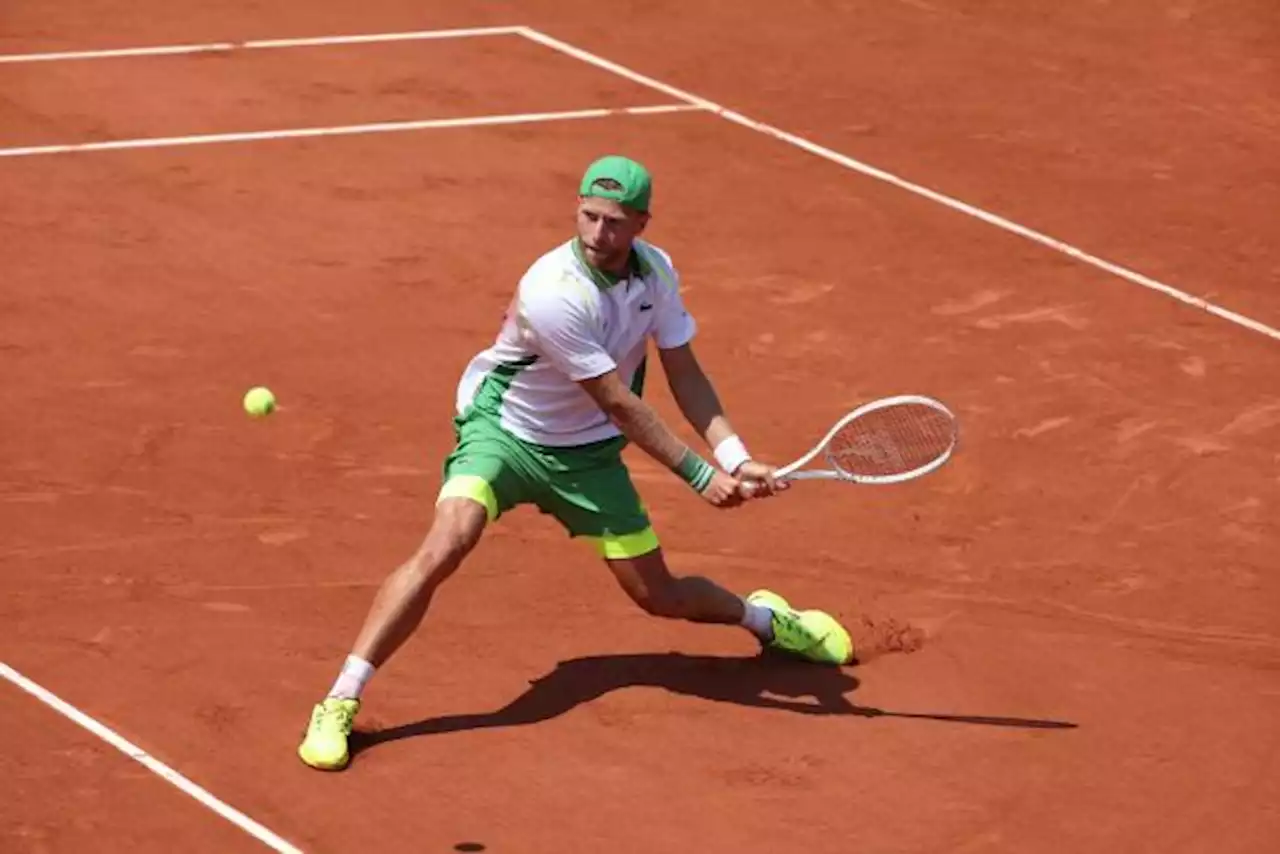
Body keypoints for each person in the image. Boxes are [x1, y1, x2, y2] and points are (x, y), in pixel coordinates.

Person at [298, 155, 855, 771]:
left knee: (661, 596)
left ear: (642, 222)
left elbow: (683, 369)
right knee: (446, 543)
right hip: (506, 432)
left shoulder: (658, 274)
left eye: (614, 222)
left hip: (586, 456)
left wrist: (735, 454)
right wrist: (700, 474)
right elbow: (618, 402)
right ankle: (340, 699)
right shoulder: (552, 291)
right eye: (588, 216)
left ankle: (767, 620)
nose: (597, 234)